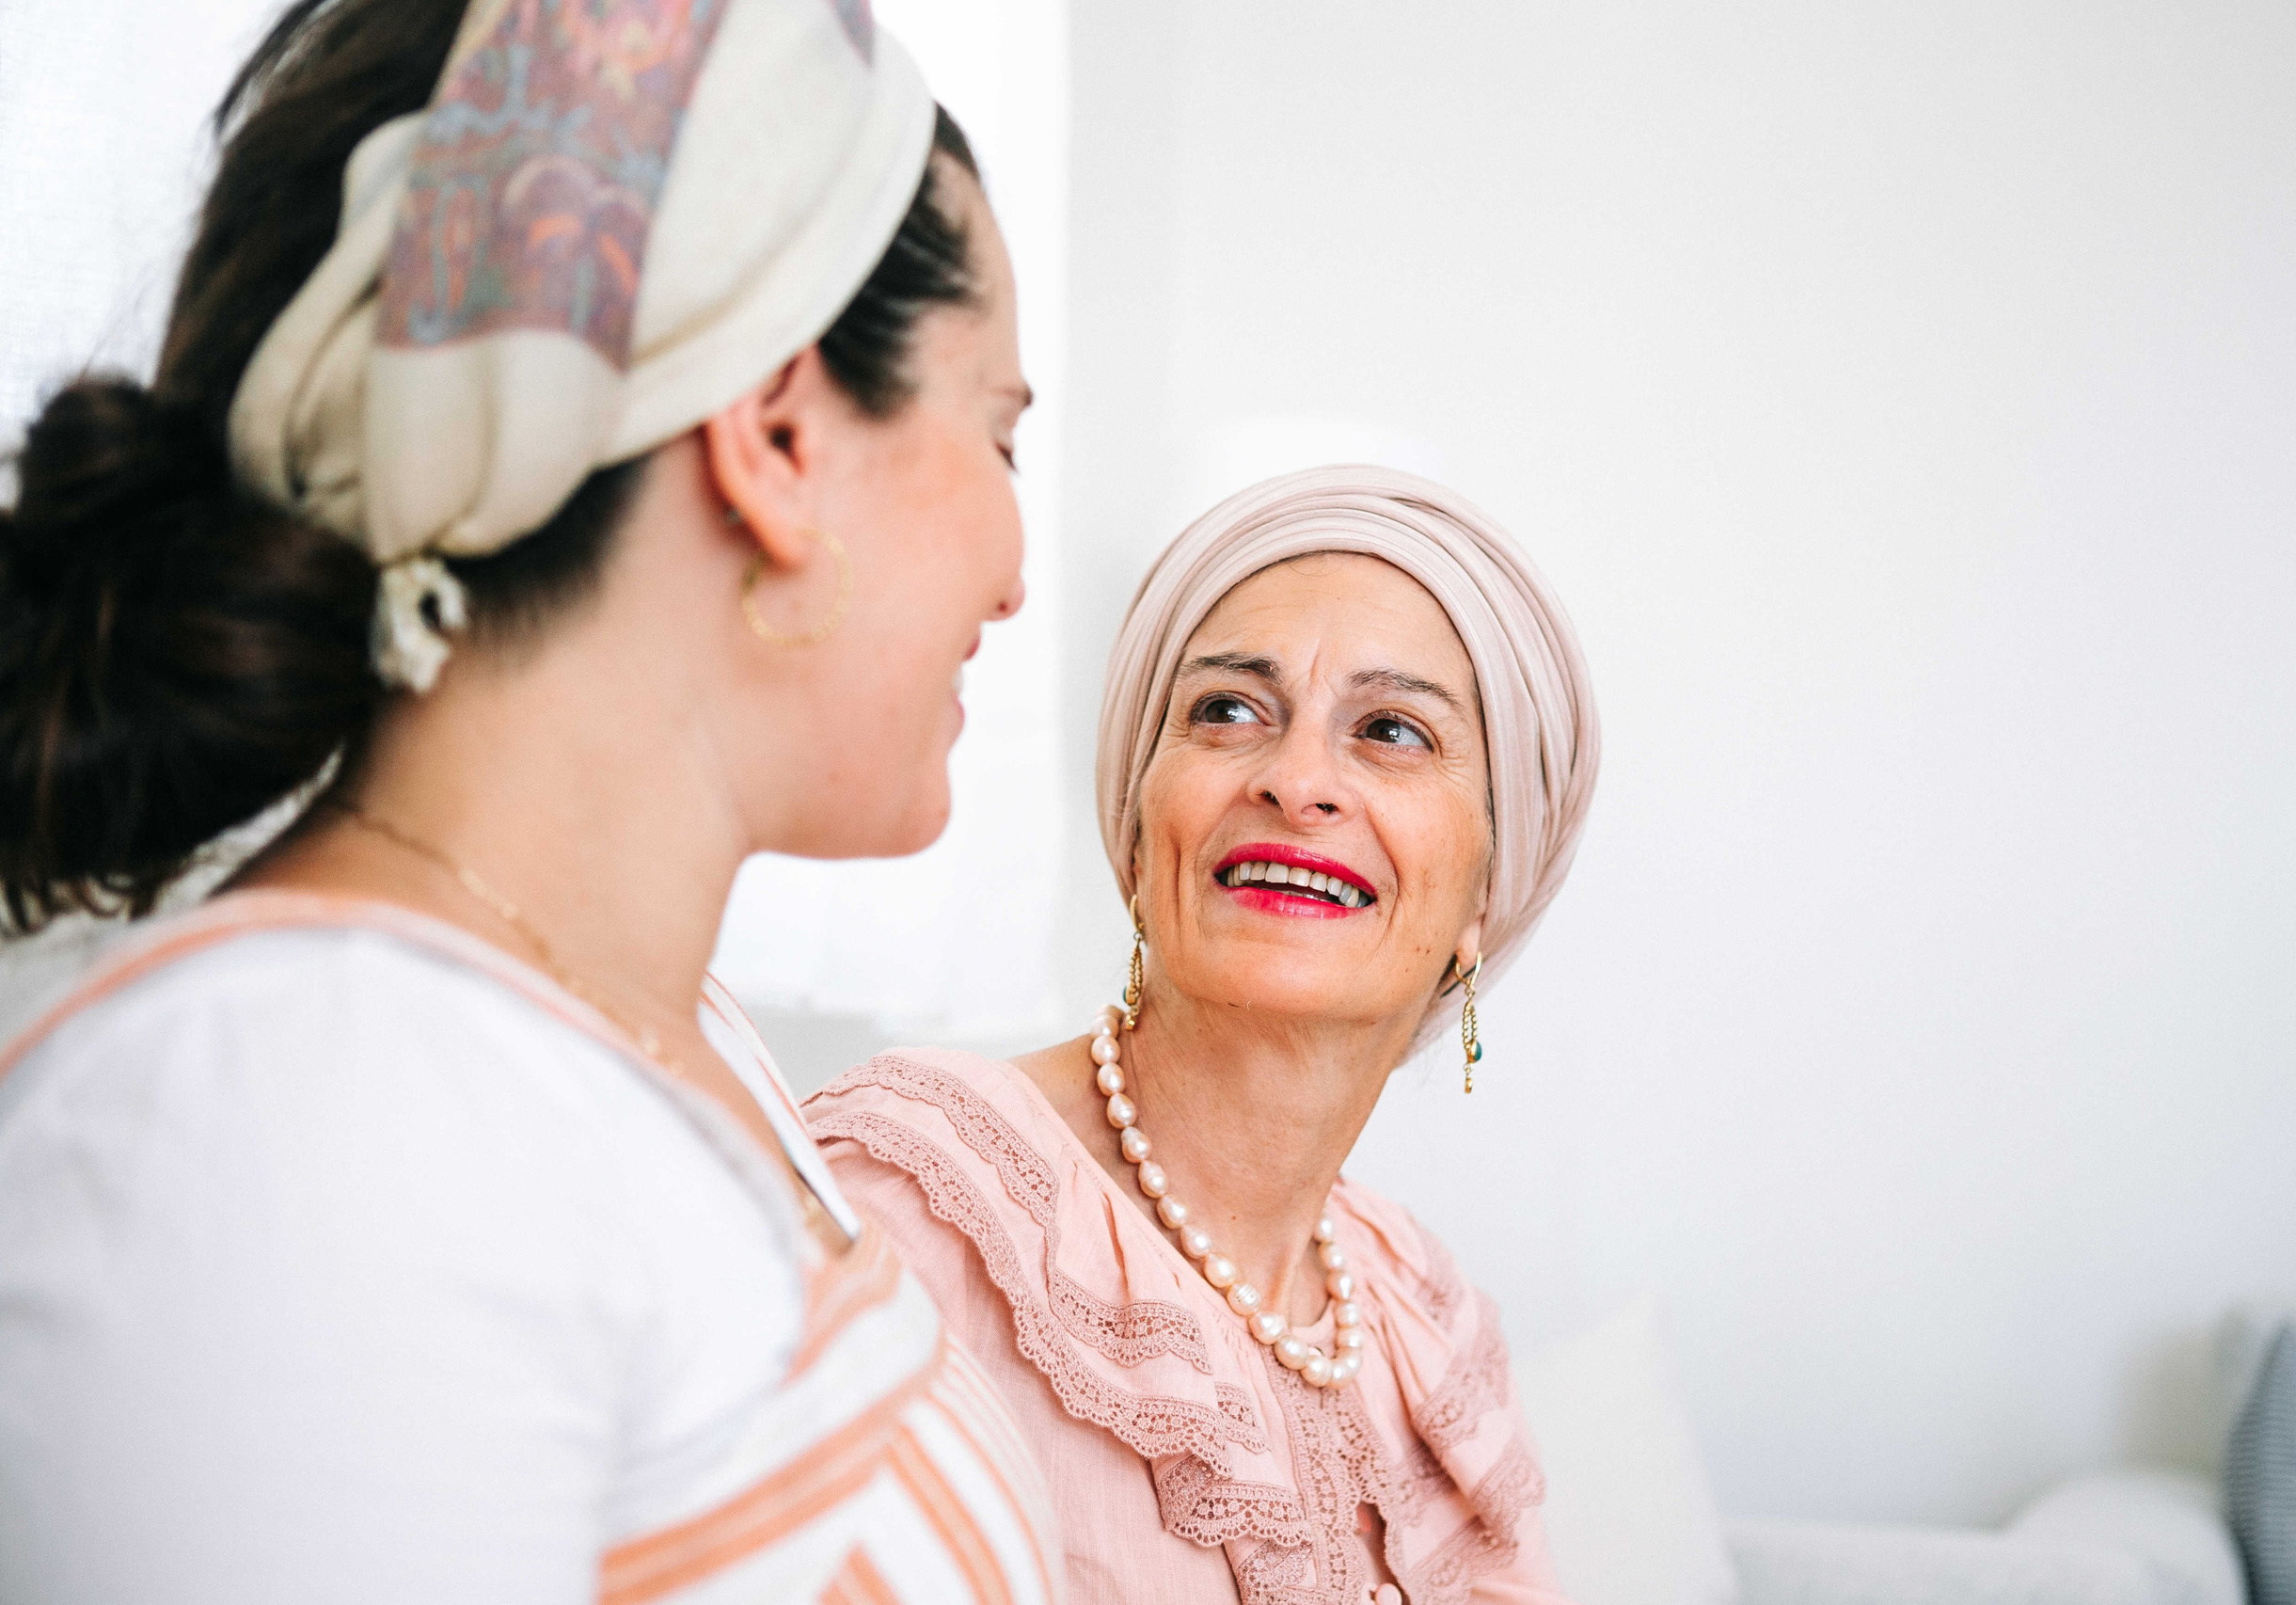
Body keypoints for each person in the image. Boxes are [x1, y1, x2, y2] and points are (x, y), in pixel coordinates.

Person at [0, 1, 1058, 1600]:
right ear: (775, 432)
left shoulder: (660, 1039)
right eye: (997, 434)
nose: (1018, 569)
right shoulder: (295, 1114)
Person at [803, 466, 1600, 1604]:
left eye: (1391, 730)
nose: (1296, 781)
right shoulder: (913, 1206)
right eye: (1227, 710)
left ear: (1488, 887)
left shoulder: (1426, 1318)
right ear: (1137, 829)